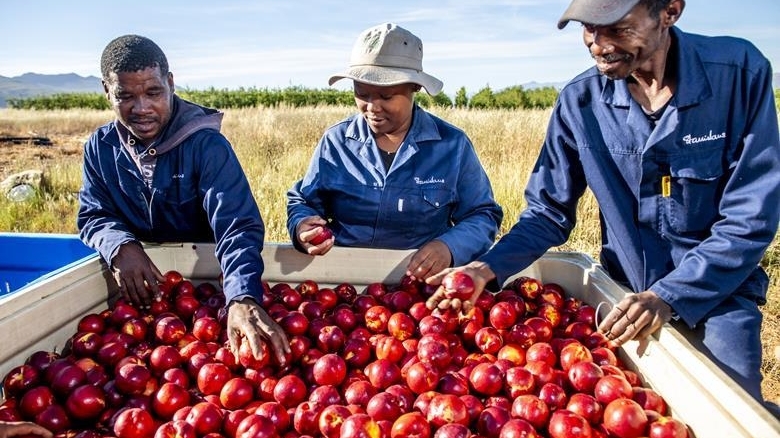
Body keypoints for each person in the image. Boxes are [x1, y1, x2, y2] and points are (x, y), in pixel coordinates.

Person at [426, 0, 780, 411]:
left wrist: (669, 294)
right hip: (623, 291)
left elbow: (748, 220)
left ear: (670, 11)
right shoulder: (580, 103)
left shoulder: (738, 76)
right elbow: (547, 213)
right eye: (588, 28)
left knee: (734, 409)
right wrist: (487, 267)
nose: (597, 44)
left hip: (719, 294)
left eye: (615, 27)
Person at [77, 35, 290, 367]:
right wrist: (120, 246)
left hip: (203, 289)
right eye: (125, 96)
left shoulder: (206, 146)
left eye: (153, 93)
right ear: (107, 91)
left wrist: (241, 295)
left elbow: (236, 225)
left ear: (170, 83)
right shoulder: (100, 148)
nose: (142, 108)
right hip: (143, 293)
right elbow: (93, 214)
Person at [287, 23, 503, 280]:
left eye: (386, 96)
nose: (371, 107)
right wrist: (302, 225)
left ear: (415, 88)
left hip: (422, 288)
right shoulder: (336, 142)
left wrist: (450, 247)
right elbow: (304, 200)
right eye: (361, 93)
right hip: (345, 285)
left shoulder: (452, 146)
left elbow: (483, 215)